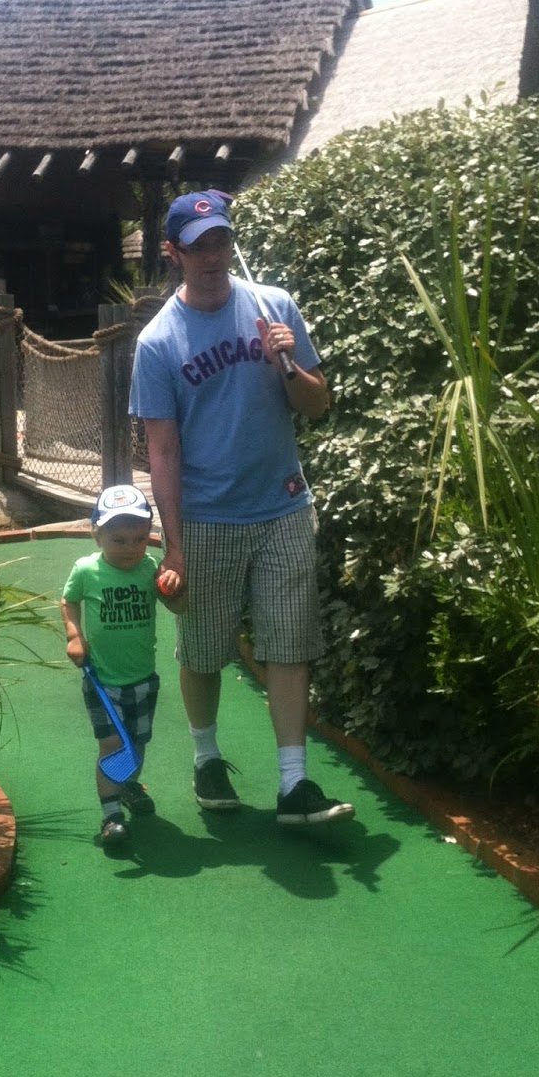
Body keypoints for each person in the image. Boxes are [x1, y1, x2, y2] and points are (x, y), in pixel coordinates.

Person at [128, 189, 353, 826]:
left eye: (221, 241)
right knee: (202, 651)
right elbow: (162, 450)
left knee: (288, 643)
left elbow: (317, 405)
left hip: (282, 507)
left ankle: (294, 784)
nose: (213, 256)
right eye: (198, 246)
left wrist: (289, 366)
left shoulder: (274, 307)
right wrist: (173, 544)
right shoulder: (158, 341)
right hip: (207, 517)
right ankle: (206, 759)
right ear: (173, 253)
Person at [61, 484, 187, 847]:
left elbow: (180, 608)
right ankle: (111, 815)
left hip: (143, 680)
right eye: (119, 540)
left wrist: (175, 589)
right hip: (102, 680)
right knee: (112, 744)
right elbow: (69, 601)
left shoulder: (150, 570)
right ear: (96, 535)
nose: (131, 548)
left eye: (139, 539)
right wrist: (74, 635)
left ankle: (129, 785)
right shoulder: (86, 570)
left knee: (137, 743)